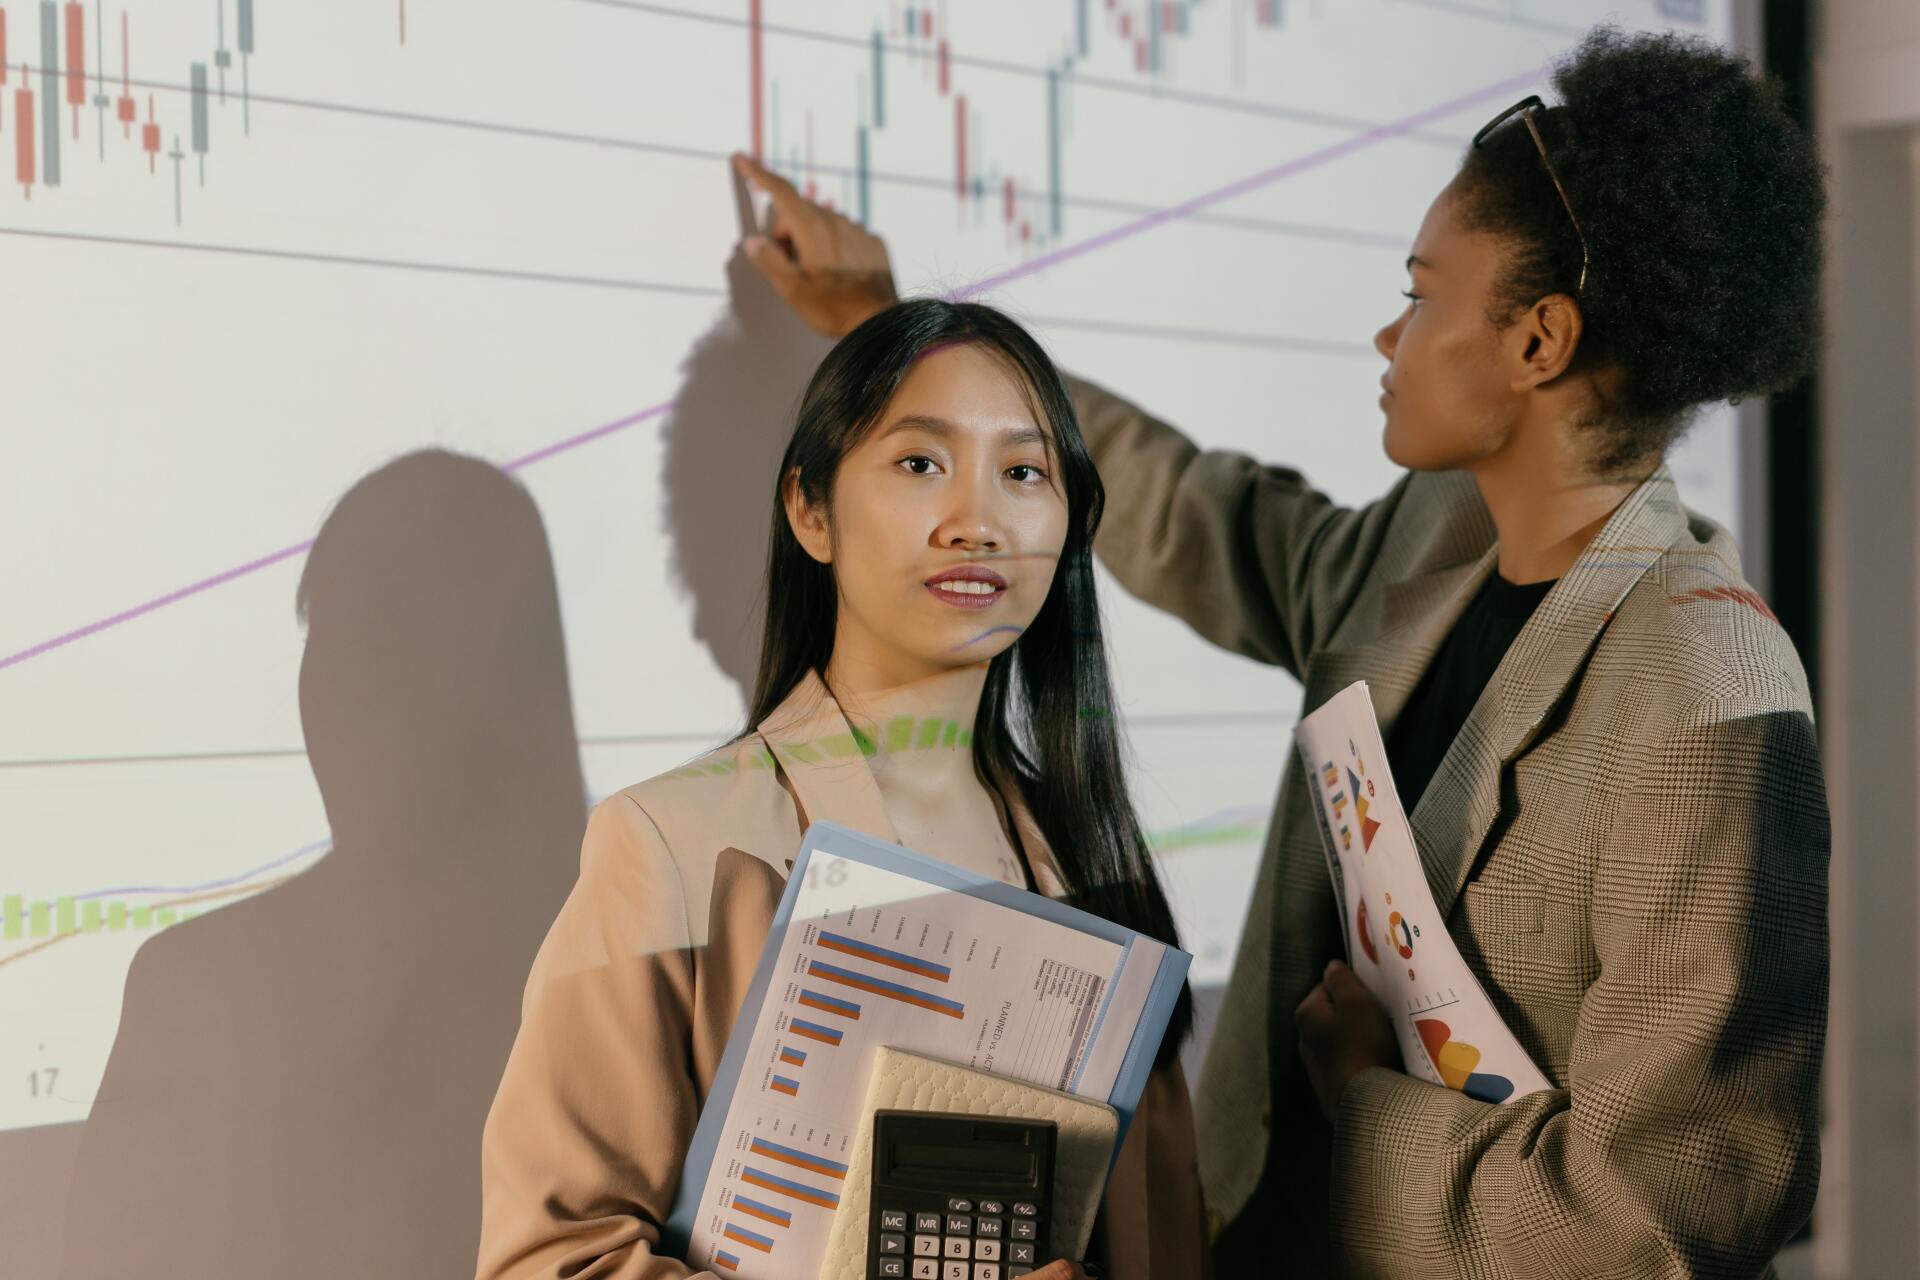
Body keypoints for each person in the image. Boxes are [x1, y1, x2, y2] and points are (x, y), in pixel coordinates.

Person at [733, 23, 1830, 1280]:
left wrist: (1361, 1100)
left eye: (1420, 297)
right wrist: (903, 336)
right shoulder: (1435, 537)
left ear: (1540, 342)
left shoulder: (1707, 695)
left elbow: (1658, 1217)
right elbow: (1199, 515)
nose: (1388, 338)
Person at [475, 299, 1208, 1278]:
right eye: (919, 463)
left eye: (1024, 471)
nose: (976, 521)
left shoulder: (1087, 859)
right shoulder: (670, 842)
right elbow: (547, 1260)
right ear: (810, 510)